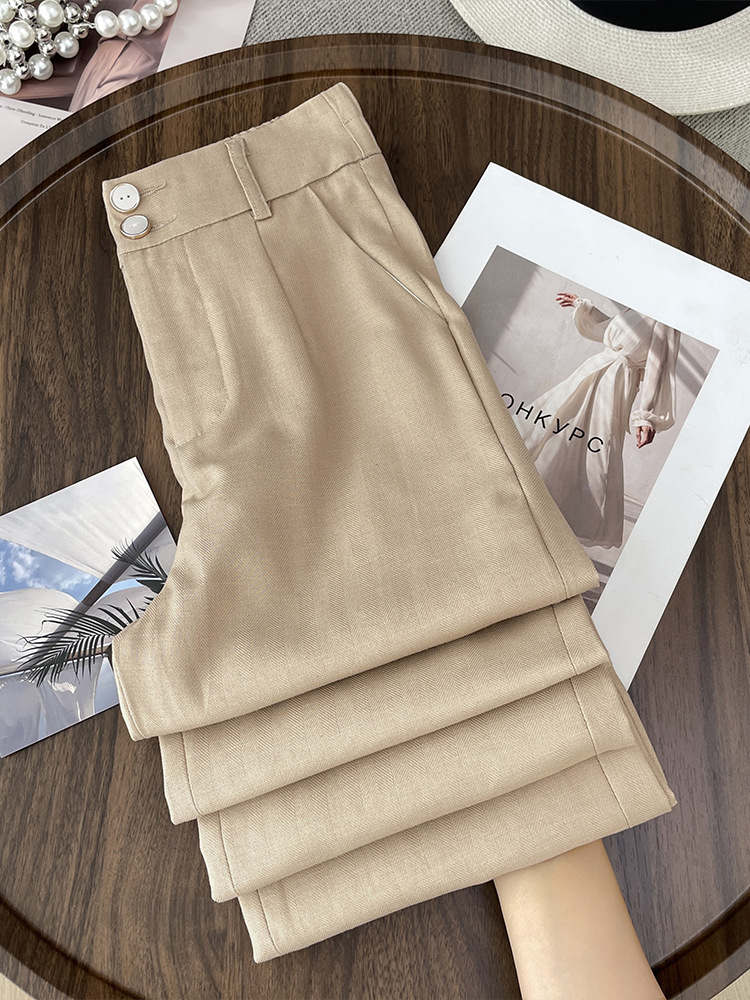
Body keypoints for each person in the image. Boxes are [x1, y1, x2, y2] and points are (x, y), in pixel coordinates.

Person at [517, 292, 681, 549]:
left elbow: (657, 366)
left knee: (592, 448)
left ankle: (563, 519)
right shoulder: (641, 306)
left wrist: (646, 416)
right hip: (593, 371)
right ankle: (527, 500)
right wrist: (584, 308)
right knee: (556, 424)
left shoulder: (668, 317)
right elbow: (614, 331)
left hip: (613, 384)